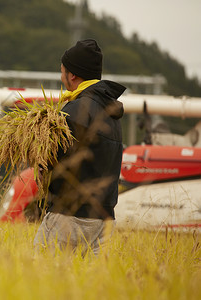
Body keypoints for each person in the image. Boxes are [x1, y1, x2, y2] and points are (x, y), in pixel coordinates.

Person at [34, 39, 126, 255]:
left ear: (72, 75)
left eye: (62, 71)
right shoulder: (112, 114)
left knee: (41, 279)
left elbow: (50, 162)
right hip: (102, 222)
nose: (61, 77)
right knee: (87, 286)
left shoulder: (74, 112)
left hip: (68, 218)